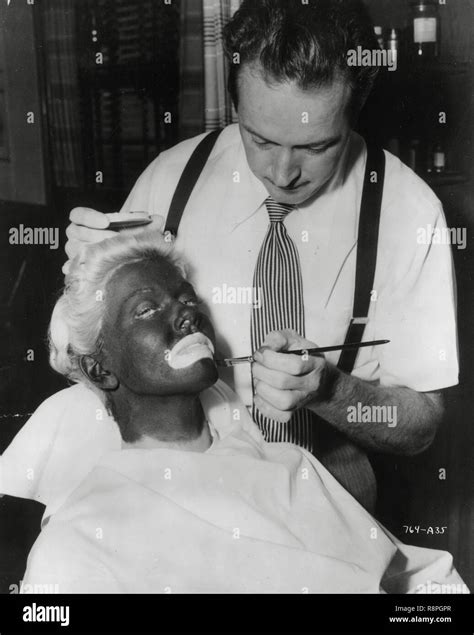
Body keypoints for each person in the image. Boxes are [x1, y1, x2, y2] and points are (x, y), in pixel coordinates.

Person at [4, 0, 459, 512]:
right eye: (259, 138)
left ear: (356, 110)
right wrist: (86, 283)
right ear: (235, 103)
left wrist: (330, 389)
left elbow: (422, 424)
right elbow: (85, 361)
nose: (282, 171)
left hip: (325, 485)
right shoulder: (172, 179)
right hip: (180, 481)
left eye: (316, 147)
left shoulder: (408, 211)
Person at [21, 231, 466, 594]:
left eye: (187, 298)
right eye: (147, 308)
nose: (185, 315)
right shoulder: (80, 538)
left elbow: (426, 586)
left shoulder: (291, 468)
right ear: (100, 368)